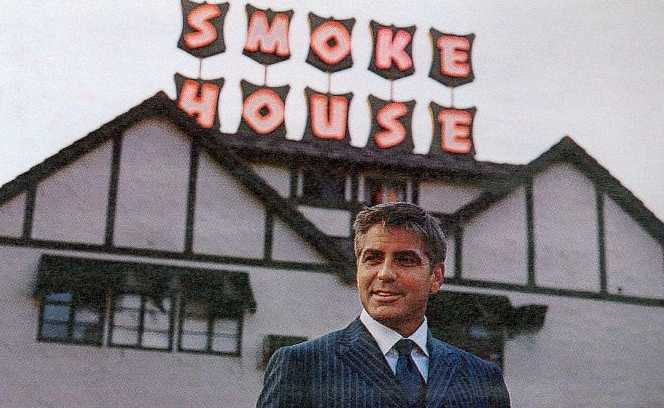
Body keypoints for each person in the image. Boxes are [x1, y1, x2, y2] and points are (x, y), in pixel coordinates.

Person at [257, 202, 510, 407]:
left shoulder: (482, 378)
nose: (385, 273)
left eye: (405, 259)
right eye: (373, 258)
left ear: (436, 277)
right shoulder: (302, 366)